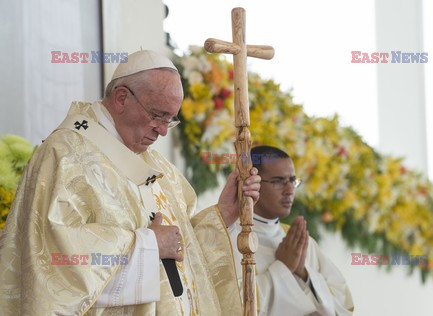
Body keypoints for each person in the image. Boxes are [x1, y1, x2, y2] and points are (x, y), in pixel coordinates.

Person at [0, 50, 261, 315]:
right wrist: (148, 246)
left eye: (170, 120)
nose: (161, 130)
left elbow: (185, 259)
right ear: (122, 98)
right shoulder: (66, 155)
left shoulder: (159, 168)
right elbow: (51, 266)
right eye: (157, 115)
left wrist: (226, 212)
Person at [228, 145, 354, 316]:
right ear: (252, 182)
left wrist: (303, 273)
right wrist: (283, 267)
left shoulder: (299, 241)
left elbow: (344, 306)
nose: (290, 190)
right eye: (279, 181)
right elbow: (230, 305)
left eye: (293, 181)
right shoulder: (232, 238)